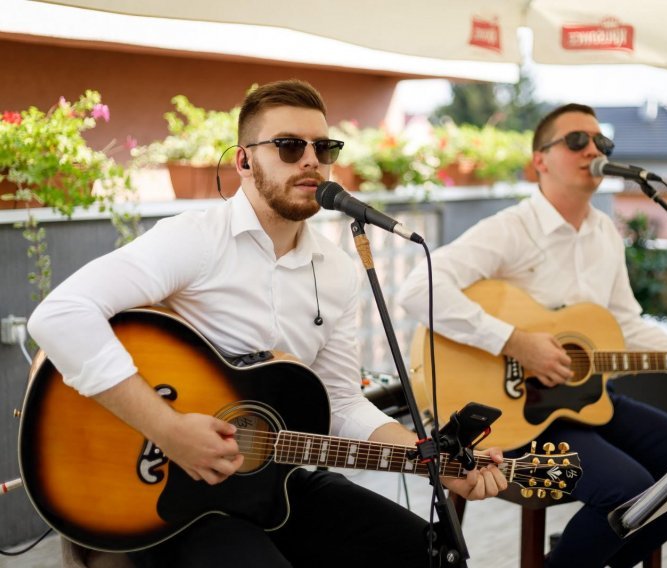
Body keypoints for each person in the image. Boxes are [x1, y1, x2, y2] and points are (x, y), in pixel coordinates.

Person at [27, 79, 507, 568]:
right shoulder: (194, 240)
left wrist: (434, 461)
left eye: (324, 148)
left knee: (426, 553)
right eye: (288, 146)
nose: (310, 161)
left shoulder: (338, 271)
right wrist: (168, 429)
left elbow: (341, 402)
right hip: (169, 489)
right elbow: (60, 315)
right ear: (243, 161)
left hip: (271, 476)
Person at [397, 103, 667, 568]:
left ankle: (586, 558)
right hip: (513, 416)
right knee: (627, 488)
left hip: (588, 403)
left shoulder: (604, 235)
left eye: (602, 143)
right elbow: (417, 289)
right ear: (541, 159)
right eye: (577, 140)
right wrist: (513, 340)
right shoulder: (511, 229)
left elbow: (627, 327)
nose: (594, 150)